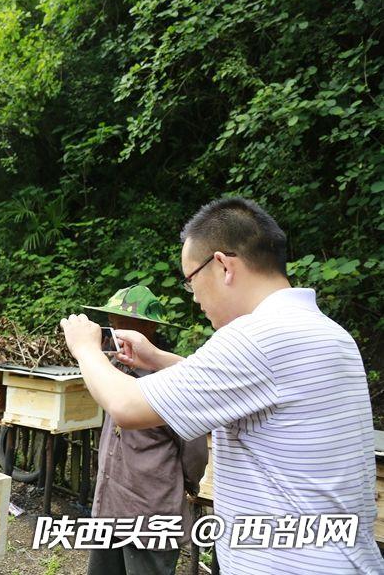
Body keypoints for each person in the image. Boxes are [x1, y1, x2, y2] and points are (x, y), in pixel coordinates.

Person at [61, 197, 383, 574]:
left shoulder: (257, 337)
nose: (194, 297)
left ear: (223, 266)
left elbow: (126, 405)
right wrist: (158, 358)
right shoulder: (326, 333)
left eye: (190, 280)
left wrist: (85, 349)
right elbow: (250, 387)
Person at [84, 285, 207, 575]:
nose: (116, 329)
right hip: (110, 506)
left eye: (125, 323)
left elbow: (195, 451)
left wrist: (187, 484)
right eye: (112, 321)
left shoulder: (173, 379)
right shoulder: (112, 369)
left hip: (152, 513)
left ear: (149, 328)